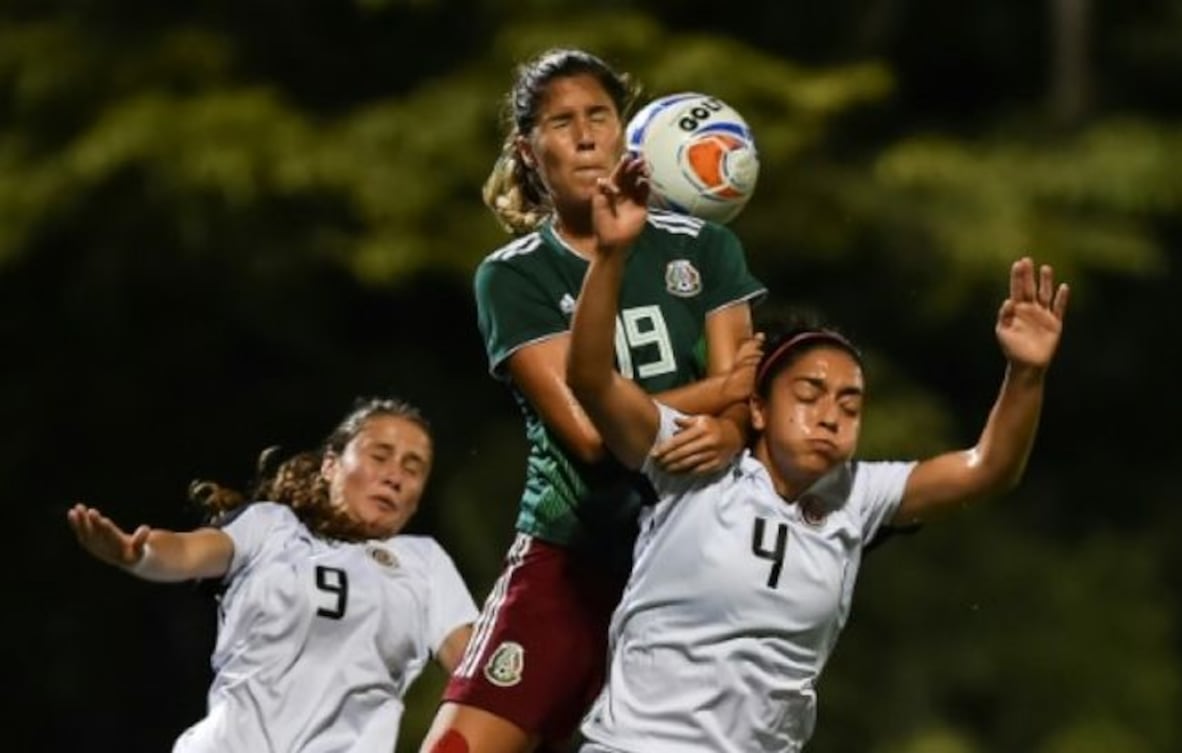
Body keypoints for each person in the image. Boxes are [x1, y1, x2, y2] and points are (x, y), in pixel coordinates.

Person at [563, 164, 1069, 751]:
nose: (830, 415)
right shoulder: (695, 461)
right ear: (757, 409)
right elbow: (591, 378)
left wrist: (1026, 373)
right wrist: (611, 256)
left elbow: (989, 468)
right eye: (808, 395)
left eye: (850, 405)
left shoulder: (857, 495)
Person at [421, 48, 766, 753]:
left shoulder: (706, 249)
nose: (583, 136)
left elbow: (744, 399)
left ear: (625, 131)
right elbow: (588, 433)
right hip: (572, 559)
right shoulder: (512, 277)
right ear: (529, 149)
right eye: (560, 122)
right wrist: (719, 400)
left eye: (598, 116)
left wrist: (733, 428)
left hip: (695, 558)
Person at [66, 397, 478, 753]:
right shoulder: (272, 527)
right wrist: (134, 553)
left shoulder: (424, 562)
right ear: (331, 465)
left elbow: (477, 670)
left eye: (413, 467)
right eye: (379, 455)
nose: (394, 476)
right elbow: (186, 550)